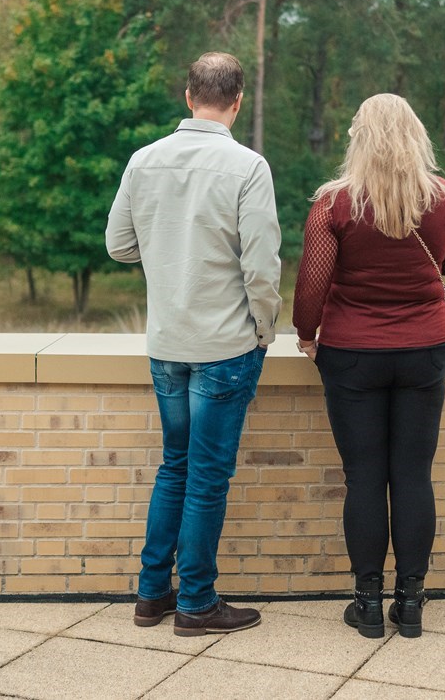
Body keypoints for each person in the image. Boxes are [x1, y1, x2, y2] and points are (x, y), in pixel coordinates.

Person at [105, 51, 281, 638]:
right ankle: (197, 602)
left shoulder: (142, 160)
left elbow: (118, 244)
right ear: (236, 101)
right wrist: (264, 327)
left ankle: (152, 594)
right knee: (206, 476)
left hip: (166, 342)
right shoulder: (248, 167)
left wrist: (165, 257)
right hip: (224, 344)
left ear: (188, 95)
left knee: (174, 467)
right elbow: (261, 266)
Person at [292, 93, 445, 639]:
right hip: (424, 351)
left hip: (352, 355)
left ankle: (366, 603)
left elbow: (312, 284)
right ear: (417, 136)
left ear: (357, 139)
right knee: (413, 475)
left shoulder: (333, 203)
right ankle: (410, 603)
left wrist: (304, 333)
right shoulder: (443, 198)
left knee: (363, 476)